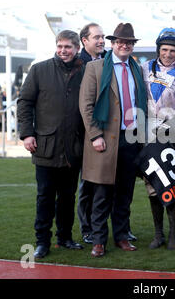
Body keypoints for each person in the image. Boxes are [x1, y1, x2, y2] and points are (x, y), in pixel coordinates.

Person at [79, 23, 148, 257]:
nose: (124, 45)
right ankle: (99, 240)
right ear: (112, 43)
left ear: (132, 45)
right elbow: (86, 105)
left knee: (124, 193)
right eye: (120, 41)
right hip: (105, 139)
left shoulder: (137, 68)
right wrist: (95, 136)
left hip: (131, 138)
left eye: (128, 42)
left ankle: (121, 236)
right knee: (101, 194)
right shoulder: (95, 67)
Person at [17, 30, 85, 259]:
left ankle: (65, 237)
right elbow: (24, 102)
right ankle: (42, 242)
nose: (63, 51)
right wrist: (27, 134)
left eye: (68, 47)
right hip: (45, 146)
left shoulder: (85, 71)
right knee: (45, 196)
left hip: (73, 147)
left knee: (68, 196)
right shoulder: (39, 69)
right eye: (60, 46)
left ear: (76, 48)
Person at [141, 28, 175, 250]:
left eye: (173, 50)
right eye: (164, 49)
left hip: (171, 137)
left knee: (170, 184)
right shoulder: (144, 68)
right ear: (158, 49)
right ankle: (158, 234)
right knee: (152, 185)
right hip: (146, 136)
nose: (168, 54)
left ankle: (173, 233)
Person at [76, 22, 107, 245]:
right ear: (84, 41)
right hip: (82, 134)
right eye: (96, 37)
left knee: (105, 185)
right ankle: (87, 228)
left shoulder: (108, 61)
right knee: (87, 184)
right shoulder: (77, 65)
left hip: (106, 133)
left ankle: (107, 228)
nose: (101, 40)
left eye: (102, 37)